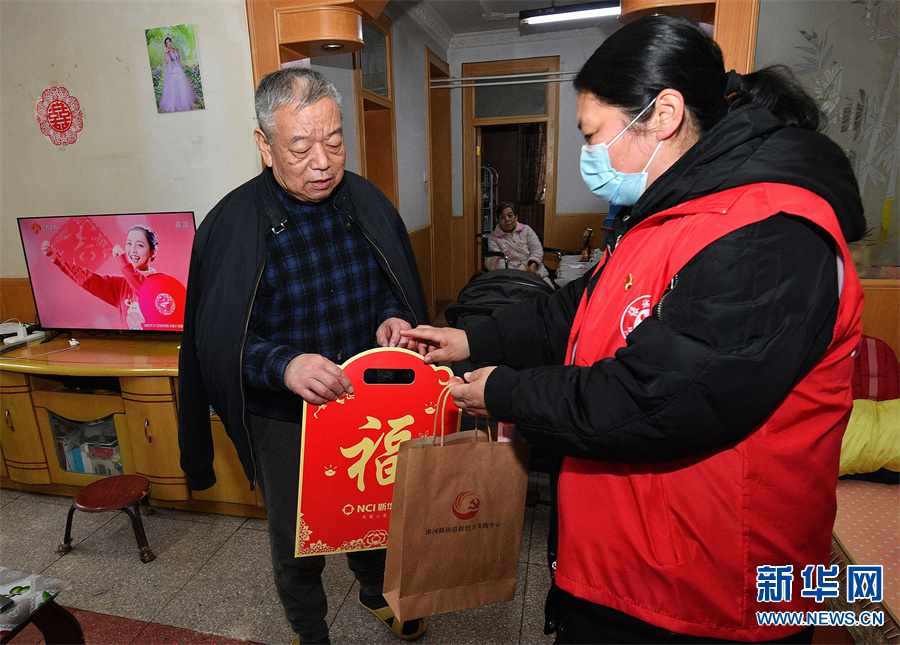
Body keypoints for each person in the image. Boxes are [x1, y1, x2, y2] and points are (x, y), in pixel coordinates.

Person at [403, 14, 865, 645]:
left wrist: (507, 393)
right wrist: (470, 339)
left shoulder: (769, 233)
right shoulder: (671, 210)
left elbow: (655, 399)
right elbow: (576, 309)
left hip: (714, 598)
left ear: (664, 113)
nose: (590, 155)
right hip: (630, 572)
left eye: (594, 134)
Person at [177, 67, 429, 645]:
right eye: (301, 146)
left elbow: (393, 281)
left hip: (366, 400)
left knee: (374, 511)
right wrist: (284, 366)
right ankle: (309, 629)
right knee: (297, 537)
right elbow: (218, 343)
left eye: (335, 141)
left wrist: (395, 316)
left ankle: (374, 592)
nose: (323, 161)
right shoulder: (232, 225)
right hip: (284, 415)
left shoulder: (363, 201)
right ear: (265, 145)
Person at [42, 225, 159, 330]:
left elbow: (143, 290)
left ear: (153, 252)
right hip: (129, 347)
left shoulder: (160, 282)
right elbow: (88, 279)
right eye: (129, 244)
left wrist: (124, 262)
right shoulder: (120, 284)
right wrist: (58, 259)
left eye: (139, 245)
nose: (132, 250)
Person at [484, 201, 551, 283]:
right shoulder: (494, 238)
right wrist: (518, 269)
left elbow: (536, 249)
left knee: (548, 290)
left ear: (516, 217)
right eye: (502, 217)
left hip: (533, 270)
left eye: (510, 216)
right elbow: (496, 261)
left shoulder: (526, 230)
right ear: (499, 221)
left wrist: (532, 265)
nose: (507, 220)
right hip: (509, 276)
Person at [158, 36, 198, 112]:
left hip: (178, 69)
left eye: (169, 42)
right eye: (167, 43)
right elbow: (167, 61)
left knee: (182, 85)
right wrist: (166, 54)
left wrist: (177, 51)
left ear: (171, 42)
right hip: (173, 71)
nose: (169, 43)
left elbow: (178, 58)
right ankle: (174, 104)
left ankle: (184, 103)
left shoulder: (174, 49)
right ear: (166, 45)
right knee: (174, 87)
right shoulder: (168, 52)